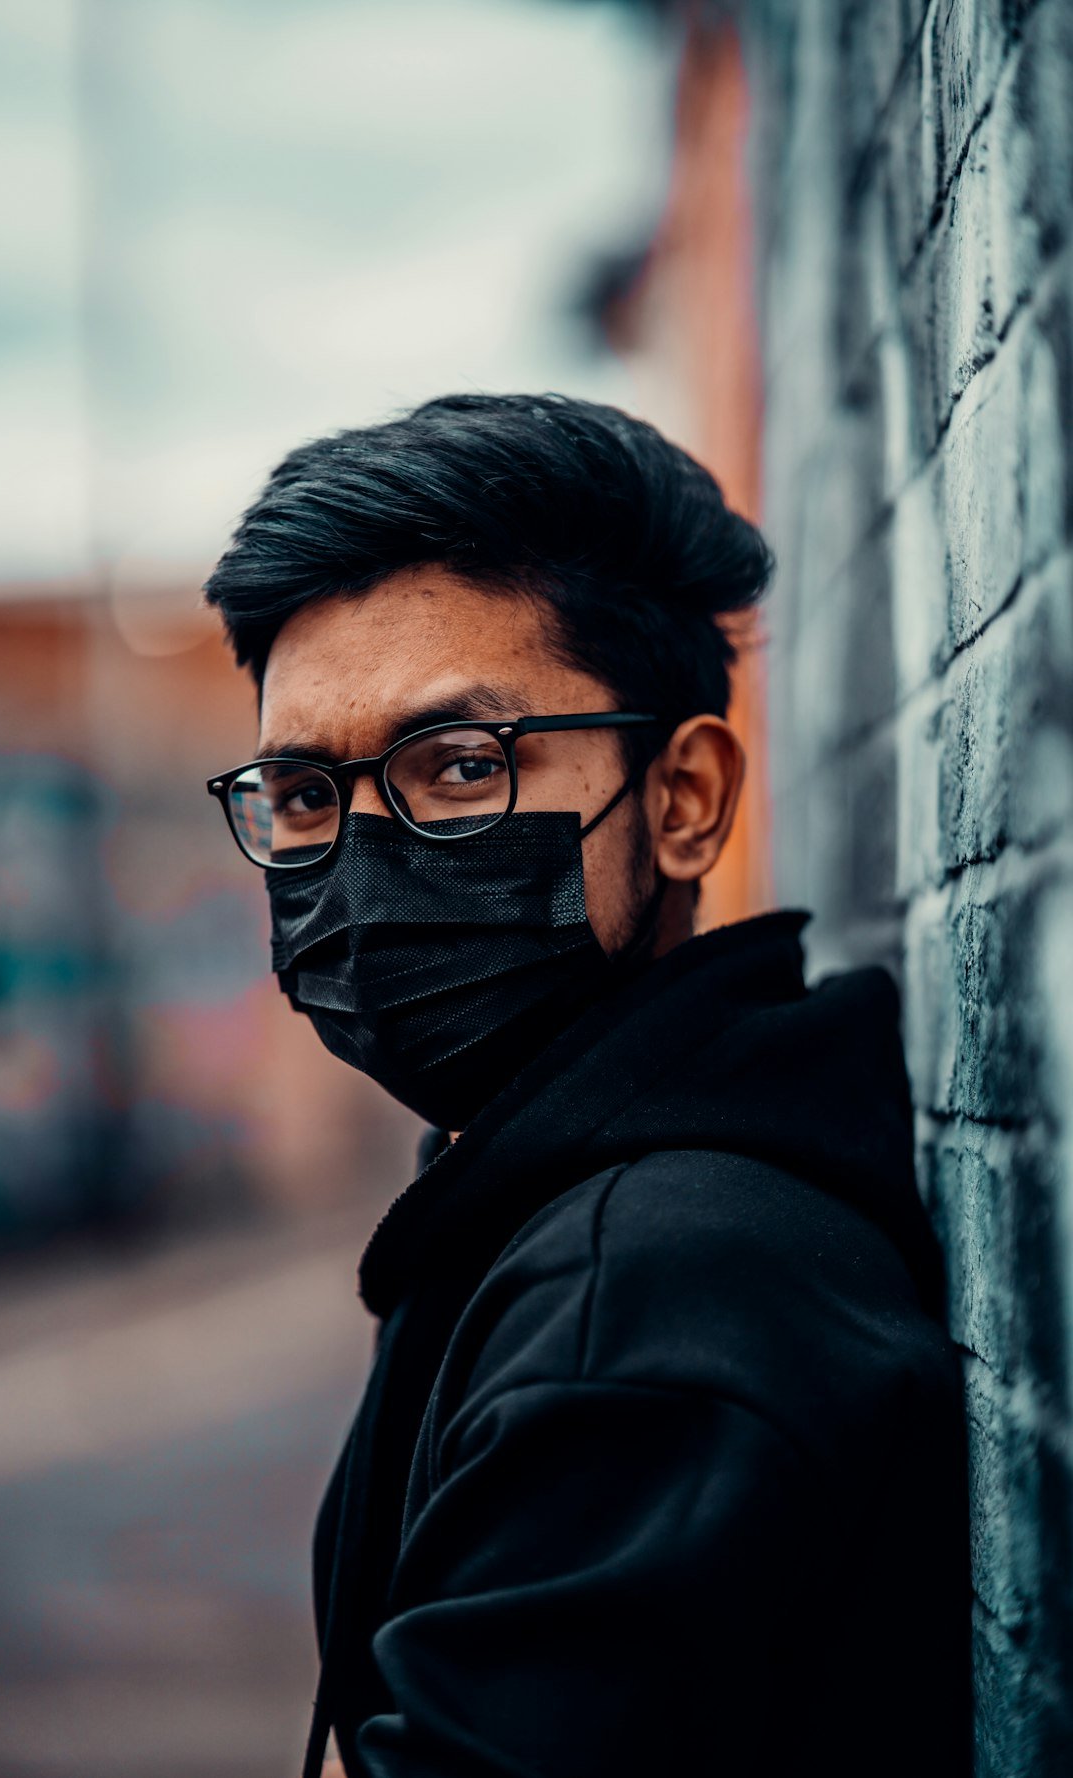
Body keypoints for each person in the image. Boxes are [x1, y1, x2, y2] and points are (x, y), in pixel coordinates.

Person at [203, 393, 972, 1778]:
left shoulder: (654, 1300)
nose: (361, 858)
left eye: (459, 767)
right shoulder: (546, 1205)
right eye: (305, 794)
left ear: (682, 799)